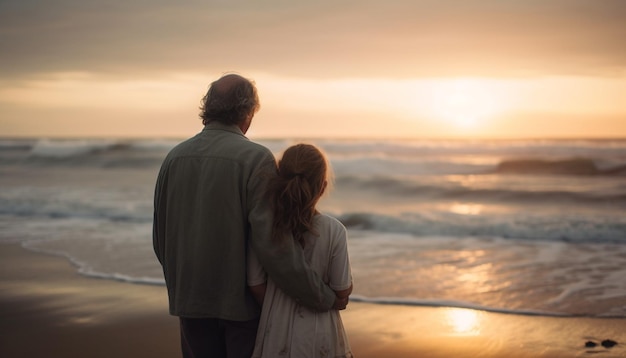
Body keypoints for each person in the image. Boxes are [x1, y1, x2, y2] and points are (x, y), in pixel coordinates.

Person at [152, 74, 345, 358]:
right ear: (248, 112)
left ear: (208, 107)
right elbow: (272, 244)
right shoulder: (255, 159)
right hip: (239, 308)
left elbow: (161, 237)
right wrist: (322, 296)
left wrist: (183, 284)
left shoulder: (174, 157)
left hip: (189, 300)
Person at [248, 143, 354, 358]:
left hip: (275, 330)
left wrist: (279, 305)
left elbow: (256, 284)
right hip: (321, 331)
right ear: (322, 187)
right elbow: (341, 290)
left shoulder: (263, 228)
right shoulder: (334, 230)